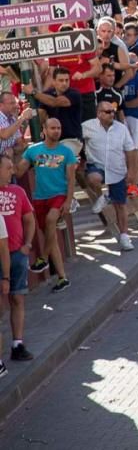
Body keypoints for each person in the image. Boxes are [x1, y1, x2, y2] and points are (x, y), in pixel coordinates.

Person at [18, 118, 76, 292]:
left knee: (52, 220)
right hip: (40, 198)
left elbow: (71, 179)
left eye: (58, 128)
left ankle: (42, 258)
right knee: (51, 238)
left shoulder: (67, 152)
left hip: (58, 195)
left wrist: (68, 200)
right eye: (52, 128)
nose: (56, 131)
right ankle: (62, 277)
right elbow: (19, 170)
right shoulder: (33, 150)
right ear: (44, 129)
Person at [83, 100, 138, 251]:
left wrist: (132, 171)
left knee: (120, 205)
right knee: (94, 178)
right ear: (99, 114)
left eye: (113, 111)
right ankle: (103, 195)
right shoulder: (87, 126)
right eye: (107, 112)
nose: (112, 114)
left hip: (117, 169)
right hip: (97, 166)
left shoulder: (121, 128)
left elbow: (131, 150)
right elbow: (76, 140)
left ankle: (125, 236)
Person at [0, 155, 36, 367]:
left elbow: (29, 219)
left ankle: (17, 344)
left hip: (16, 254)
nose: (12, 171)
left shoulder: (18, 192)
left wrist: (27, 245)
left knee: (18, 299)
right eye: (7, 168)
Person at [25, 67, 83, 142]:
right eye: (61, 80)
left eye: (67, 80)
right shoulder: (47, 95)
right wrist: (30, 113)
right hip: (52, 140)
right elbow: (41, 115)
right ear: (54, 81)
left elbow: (54, 102)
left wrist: (33, 92)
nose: (64, 83)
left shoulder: (74, 94)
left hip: (72, 140)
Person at [0, 93, 31, 159]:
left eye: (15, 103)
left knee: (36, 153)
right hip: (3, 160)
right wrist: (22, 117)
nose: (15, 106)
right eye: (11, 103)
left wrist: (13, 150)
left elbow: (20, 143)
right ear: (1, 105)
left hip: (7, 159)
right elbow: (4, 135)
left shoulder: (13, 119)